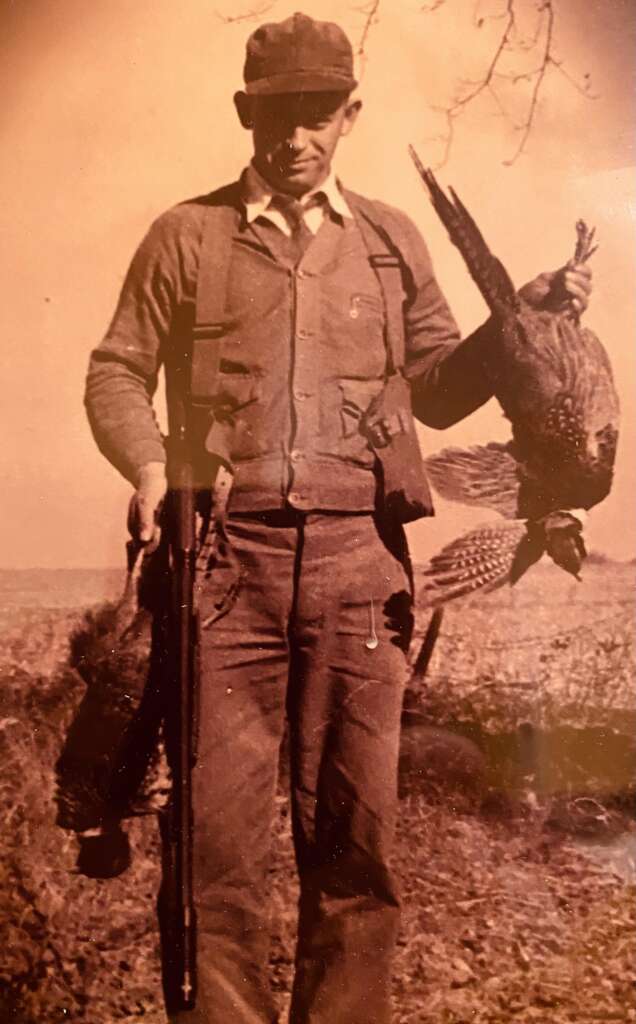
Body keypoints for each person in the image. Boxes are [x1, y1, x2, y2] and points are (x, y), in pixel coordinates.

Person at [84, 12, 592, 1023]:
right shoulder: (184, 236)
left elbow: (441, 390)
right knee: (214, 853)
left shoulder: (395, 242)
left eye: (319, 111)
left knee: (355, 848)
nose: (297, 134)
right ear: (246, 113)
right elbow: (115, 372)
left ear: (350, 113)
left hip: (364, 568)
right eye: (276, 112)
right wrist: (147, 465)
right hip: (228, 572)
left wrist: (522, 317)